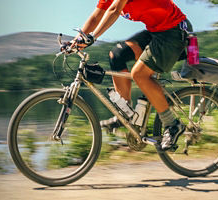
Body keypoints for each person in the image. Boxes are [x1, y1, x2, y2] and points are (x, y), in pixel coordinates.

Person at [69, 0, 193, 150]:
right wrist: (75, 42)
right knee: (117, 55)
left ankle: (172, 124)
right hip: (156, 31)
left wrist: (93, 37)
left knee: (139, 75)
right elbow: (96, 16)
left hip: (174, 31)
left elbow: (114, 10)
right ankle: (125, 113)